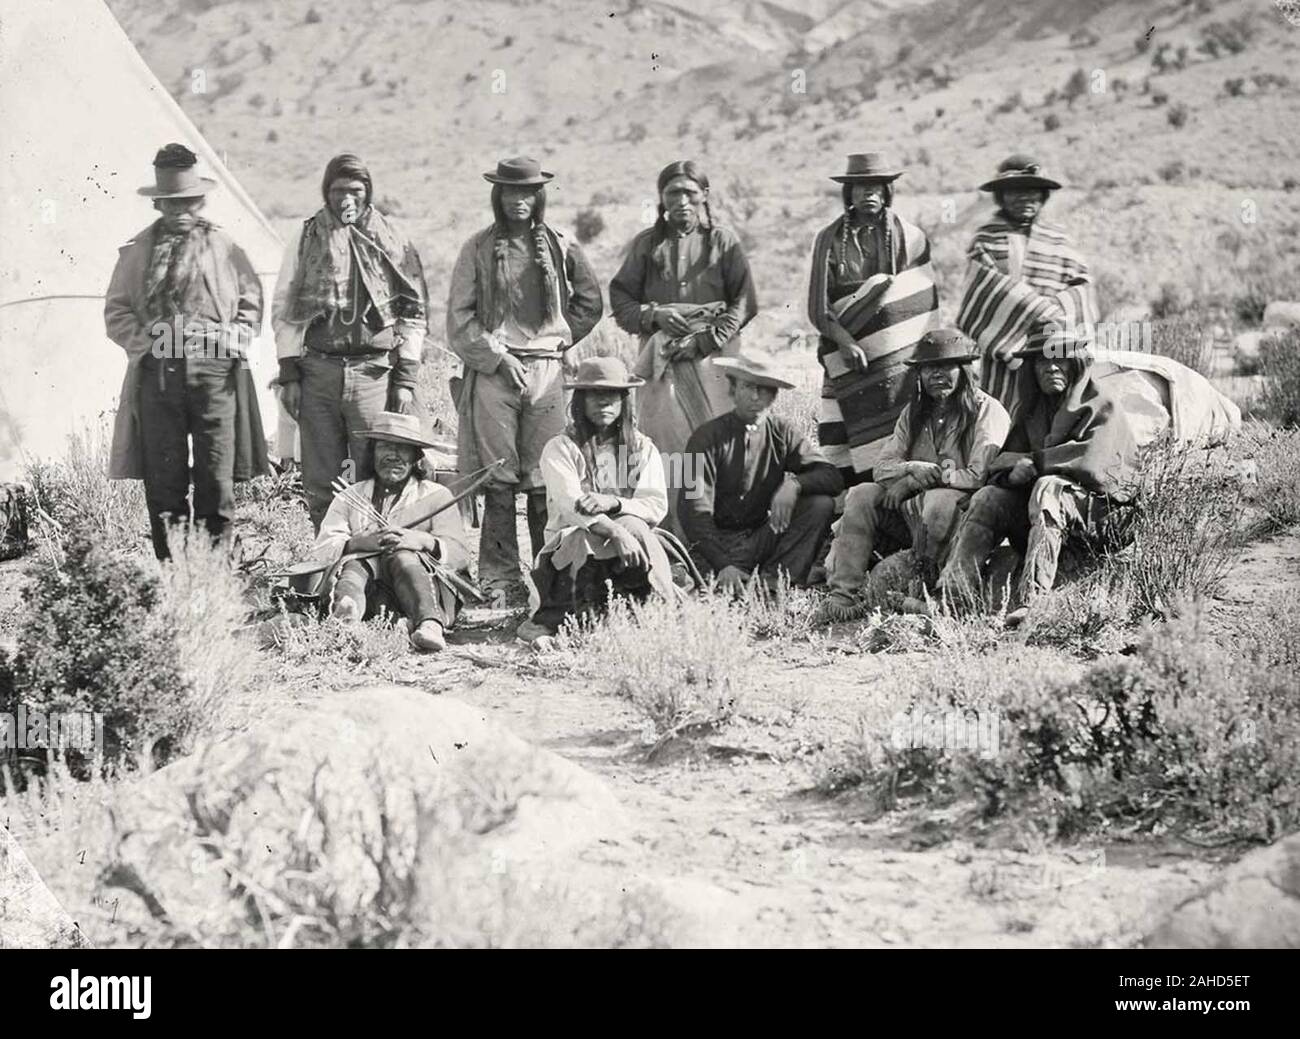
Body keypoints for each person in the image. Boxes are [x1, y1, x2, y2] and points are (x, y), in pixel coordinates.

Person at [447, 157, 603, 606]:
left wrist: (558, 339)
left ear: (540, 197)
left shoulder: (560, 244)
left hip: (547, 372)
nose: (519, 201)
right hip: (497, 372)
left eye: (528, 193)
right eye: (511, 192)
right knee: (498, 477)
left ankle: (546, 569)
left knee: (544, 475)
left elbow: (590, 301)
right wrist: (496, 358)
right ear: (498, 196)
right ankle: (499, 577)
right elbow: (459, 318)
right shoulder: (476, 248)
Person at [104, 143, 268, 560]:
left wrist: (232, 337)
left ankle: (214, 573)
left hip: (215, 374)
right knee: (164, 481)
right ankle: (176, 572)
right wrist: (146, 343)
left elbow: (251, 298)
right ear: (158, 204)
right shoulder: (137, 250)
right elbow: (117, 310)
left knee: (216, 477)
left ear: (199, 201)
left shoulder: (224, 246)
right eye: (172, 203)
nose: (181, 210)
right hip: (159, 375)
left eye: (188, 201)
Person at [938, 325, 1140, 625]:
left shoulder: (1102, 405)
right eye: (1042, 362)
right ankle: (952, 596)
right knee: (988, 497)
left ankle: (1032, 600)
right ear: (1032, 369)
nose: (1052, 367)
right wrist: (1013, 477)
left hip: (1103, 517)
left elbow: (1094, 464)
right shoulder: (1031, 410)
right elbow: (1001, 465)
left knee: (1048, 487)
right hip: (1047, 514)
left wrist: (1034, 463)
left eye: (1060, 359)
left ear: (1076, 363)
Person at [272, 153, 429, 531]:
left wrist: (405, 379)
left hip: (373, 373)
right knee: (322, 476)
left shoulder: (393, 240)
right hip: (319, 371)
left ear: (368, 193)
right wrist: (289, 373)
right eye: (339, 191)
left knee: (374, 469)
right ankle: (328, 559)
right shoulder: (307, 236)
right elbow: (285, 307)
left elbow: (413, 311)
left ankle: (373, 562)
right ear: (326, 193)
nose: (347, 200)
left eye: (355, 192)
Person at [609, 159, 759, 533]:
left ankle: (720, 535)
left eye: (690, 193)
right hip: (662, 363)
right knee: (667, 449)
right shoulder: (647, 245)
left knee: (720, 442)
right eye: (673, 193)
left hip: (716, 362)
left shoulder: (722, 243)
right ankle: (671, 535)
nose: (682, 201)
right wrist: (654, 316)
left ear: (704, 196)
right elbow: (621, 300)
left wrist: (707, 338)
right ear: (661, 197)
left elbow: (745, 301)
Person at [818, 329, 1010, 620]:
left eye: (947, 366)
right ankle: (844, 595)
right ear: (918, 375)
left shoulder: (987, 411)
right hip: (912, 517)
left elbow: (977, 475)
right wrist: (910, 468)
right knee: (861, 494)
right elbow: (881, 468)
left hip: (963, 522)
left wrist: (915, 481)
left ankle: (931, 594)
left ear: (965, 370)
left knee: (940, 499)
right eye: (929, 368)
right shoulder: (914, 413)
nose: (937, 375)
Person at [516, 357, 675, 645]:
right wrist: (615, 532)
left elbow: (654, 504)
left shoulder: (641, 447)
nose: (604, 402)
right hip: (576, 543)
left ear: (623, 400)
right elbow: (571, 505)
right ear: (581, 400)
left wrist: (614, 504)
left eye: (612, 394)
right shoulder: (560, 448)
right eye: (595, 394)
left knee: (635, 524)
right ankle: (560, 618)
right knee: (616, 531)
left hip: (631, 548)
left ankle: (653, 609)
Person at [807, 153, 941, 484]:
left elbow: (918, 300)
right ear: (848, 193)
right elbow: (818, 304)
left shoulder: (910, 237)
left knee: (903, 429)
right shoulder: (829, 239)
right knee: (848, 434)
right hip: (848, 356)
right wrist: (845, 342)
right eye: (859, 187)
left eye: (875, 187)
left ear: (886, 191)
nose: (868, 194)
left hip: (899, 360)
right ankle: (851, 504)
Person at [678, 349, 844, 594]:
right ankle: (730, 579)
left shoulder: (781, 432)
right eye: (747, 386)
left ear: (774, 395)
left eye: (764, 389)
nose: (755, 396)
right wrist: (723, 563)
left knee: (819, 504)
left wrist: (794, 484)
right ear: (733, 389)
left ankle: (774, 583)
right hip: (716, 546)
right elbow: (693, 511)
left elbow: (832, 476)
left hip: (759, 537)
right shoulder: (705, 438)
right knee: (708, 586)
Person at [313, 412, 471, 652]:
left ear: (416, 457)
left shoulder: (436, 495)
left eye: (403, 449)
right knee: (356, 564)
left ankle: (430, 625)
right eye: (385, 447)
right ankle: (347, 619)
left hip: (425, 590)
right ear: (372, 454)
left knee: (403, 555)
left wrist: (421, 540)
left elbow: (460, 554)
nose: (393, 456)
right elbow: (323, 548)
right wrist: (360, 543)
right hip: (372, 592)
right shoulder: (350, 496)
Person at [956, 154, 1096, 415]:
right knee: (1004, 416)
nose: (1024, 198)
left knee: (1056, 412)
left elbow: (1081, 290)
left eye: (1032, 191)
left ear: (1042, 196)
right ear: (1001, 197)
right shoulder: (987, 239)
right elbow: (981, 295)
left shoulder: (1059, 238)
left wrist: (1054, 324)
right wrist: (1046, 314)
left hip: (1056, 351)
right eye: (1014, 192)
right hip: (1005, 355)